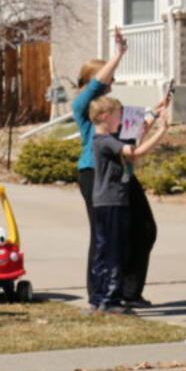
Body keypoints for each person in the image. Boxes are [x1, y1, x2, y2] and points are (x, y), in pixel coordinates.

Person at [87, 96, 171, 315]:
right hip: (112, 201)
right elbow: (135, 152)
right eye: (117, 116)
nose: (121, 120)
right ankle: (110, 299)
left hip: (107, 202)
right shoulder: (105, 141)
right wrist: (162, 131)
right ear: (105, 117)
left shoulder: (103, 139)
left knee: (105, 250)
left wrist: (153, 113)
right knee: (114, 251)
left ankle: (99, 298)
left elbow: (133, 139)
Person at [72, 26, 126, 294]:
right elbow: (96, 85)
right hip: (92, 173)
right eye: (108, 79)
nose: (111, 84)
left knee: (119, 233)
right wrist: (119, 54)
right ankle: (97, 292)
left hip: (113, 174)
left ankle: (119, 290)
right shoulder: (81, 105)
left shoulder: (107, 110)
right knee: (100, 233)